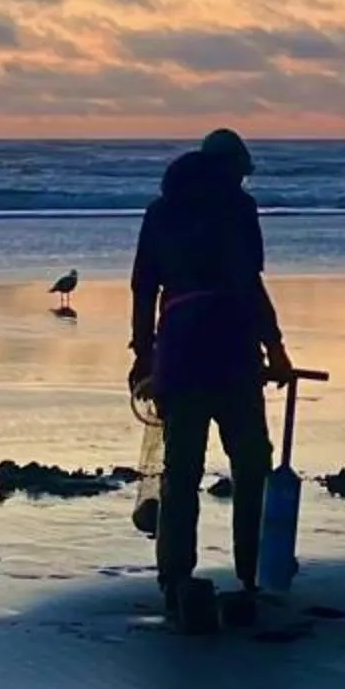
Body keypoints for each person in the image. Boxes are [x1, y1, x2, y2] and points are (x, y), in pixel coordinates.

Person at [129, 127, 293, 625]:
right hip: (230, 346)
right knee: (251, 464)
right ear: (231, 168)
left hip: (178, 348)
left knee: (181, 472)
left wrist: (144, 356)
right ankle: (253, 571)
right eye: (242, 172)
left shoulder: (161, 211)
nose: (244, 181)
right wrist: (275, 347)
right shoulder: (236, 209)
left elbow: (143, 287)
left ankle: (175, 577)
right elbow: (247, 281)